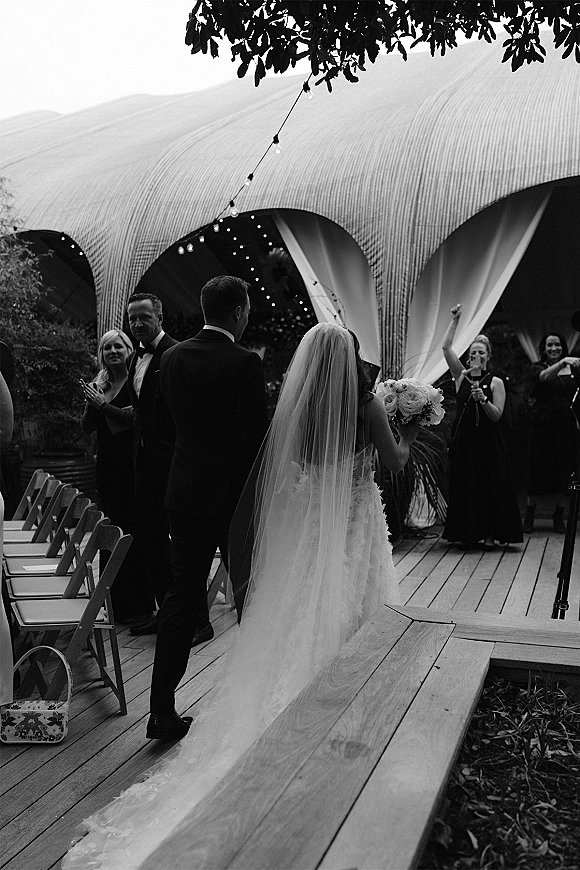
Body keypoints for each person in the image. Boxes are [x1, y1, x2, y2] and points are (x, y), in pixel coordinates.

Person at [62, 322, 417, 869]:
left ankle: (258, 705)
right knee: (359, 603)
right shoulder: (366, 405)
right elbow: (394, 462)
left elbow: (291, 463)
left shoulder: (298, 410)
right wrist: (407, 426)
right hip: (354, 519)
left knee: (298, 605)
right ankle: (354, 720)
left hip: (301, 520)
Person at [146, 275, 269, 740]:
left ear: (204, 309)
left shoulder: (172, 358)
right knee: (249, 594)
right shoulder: (243, 365)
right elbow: (255, 442)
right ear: (238, 311)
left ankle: (160, 711)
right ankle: (253, 701)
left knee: (182, 596)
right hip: (233, 500)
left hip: (185, 495)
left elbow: (160, 427)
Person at [80, 330, 152, 623]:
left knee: (136, 530)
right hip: (108, 467)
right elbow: (87, 427)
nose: (112, 351)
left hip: (135, 465)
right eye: (107, 347)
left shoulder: (137, 378)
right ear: (102, 354)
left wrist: (104, 407)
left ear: (128, 349)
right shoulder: (100, 383)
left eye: (118, 345)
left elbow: (139, 419)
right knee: (112, 529)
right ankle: (116, 604)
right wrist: (93, 403)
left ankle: (141, 605)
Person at [441, 304, 523, 548]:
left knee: (490, 485)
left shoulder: (496, 382)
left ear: (488, 356)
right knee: (466, 484)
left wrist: (483, 399)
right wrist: (455, 320)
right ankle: (467, 533)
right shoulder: (461, 376)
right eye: (473, 352)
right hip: (465, 440)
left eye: (481, 353)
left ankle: (490, 533)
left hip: (487, 441)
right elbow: (446, 348)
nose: (477, 356)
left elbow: (497, 415)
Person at [124, 293, 178, 636]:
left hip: (172, 462)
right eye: (132, 320)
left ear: (159, 316)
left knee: (180, 544)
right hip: (143, 462)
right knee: (152, 540)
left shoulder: (175, 353)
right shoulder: (133, 360)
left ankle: (192, 620)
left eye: (144, 317)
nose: (138, 324)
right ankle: (164, 611)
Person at [523, 333, 580, 533]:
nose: (554, 348)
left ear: (563, 346)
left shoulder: (574, 369)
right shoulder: (537, 366)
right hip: (543, 426)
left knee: (564, 470)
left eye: (557, 345)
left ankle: (559, 515)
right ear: (544, 348)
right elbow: (543, 377)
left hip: (566, 427)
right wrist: (563, 362)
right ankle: (530, 513)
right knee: (537, 469)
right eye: (550, 345)